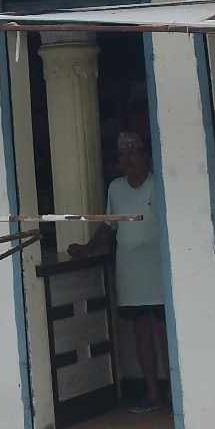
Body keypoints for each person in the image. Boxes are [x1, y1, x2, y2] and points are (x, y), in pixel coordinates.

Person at [70, 127, 168, 412]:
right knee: (141, 334)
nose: (128, 159)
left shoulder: (158, 184)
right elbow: (109, 226)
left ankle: (177, 392)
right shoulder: (115, 188)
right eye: (122, 153)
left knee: (166, 332)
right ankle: (153, 393)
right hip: (131, 270)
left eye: (133, 151)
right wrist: (87, 248)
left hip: (160, 268)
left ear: (145, 155)